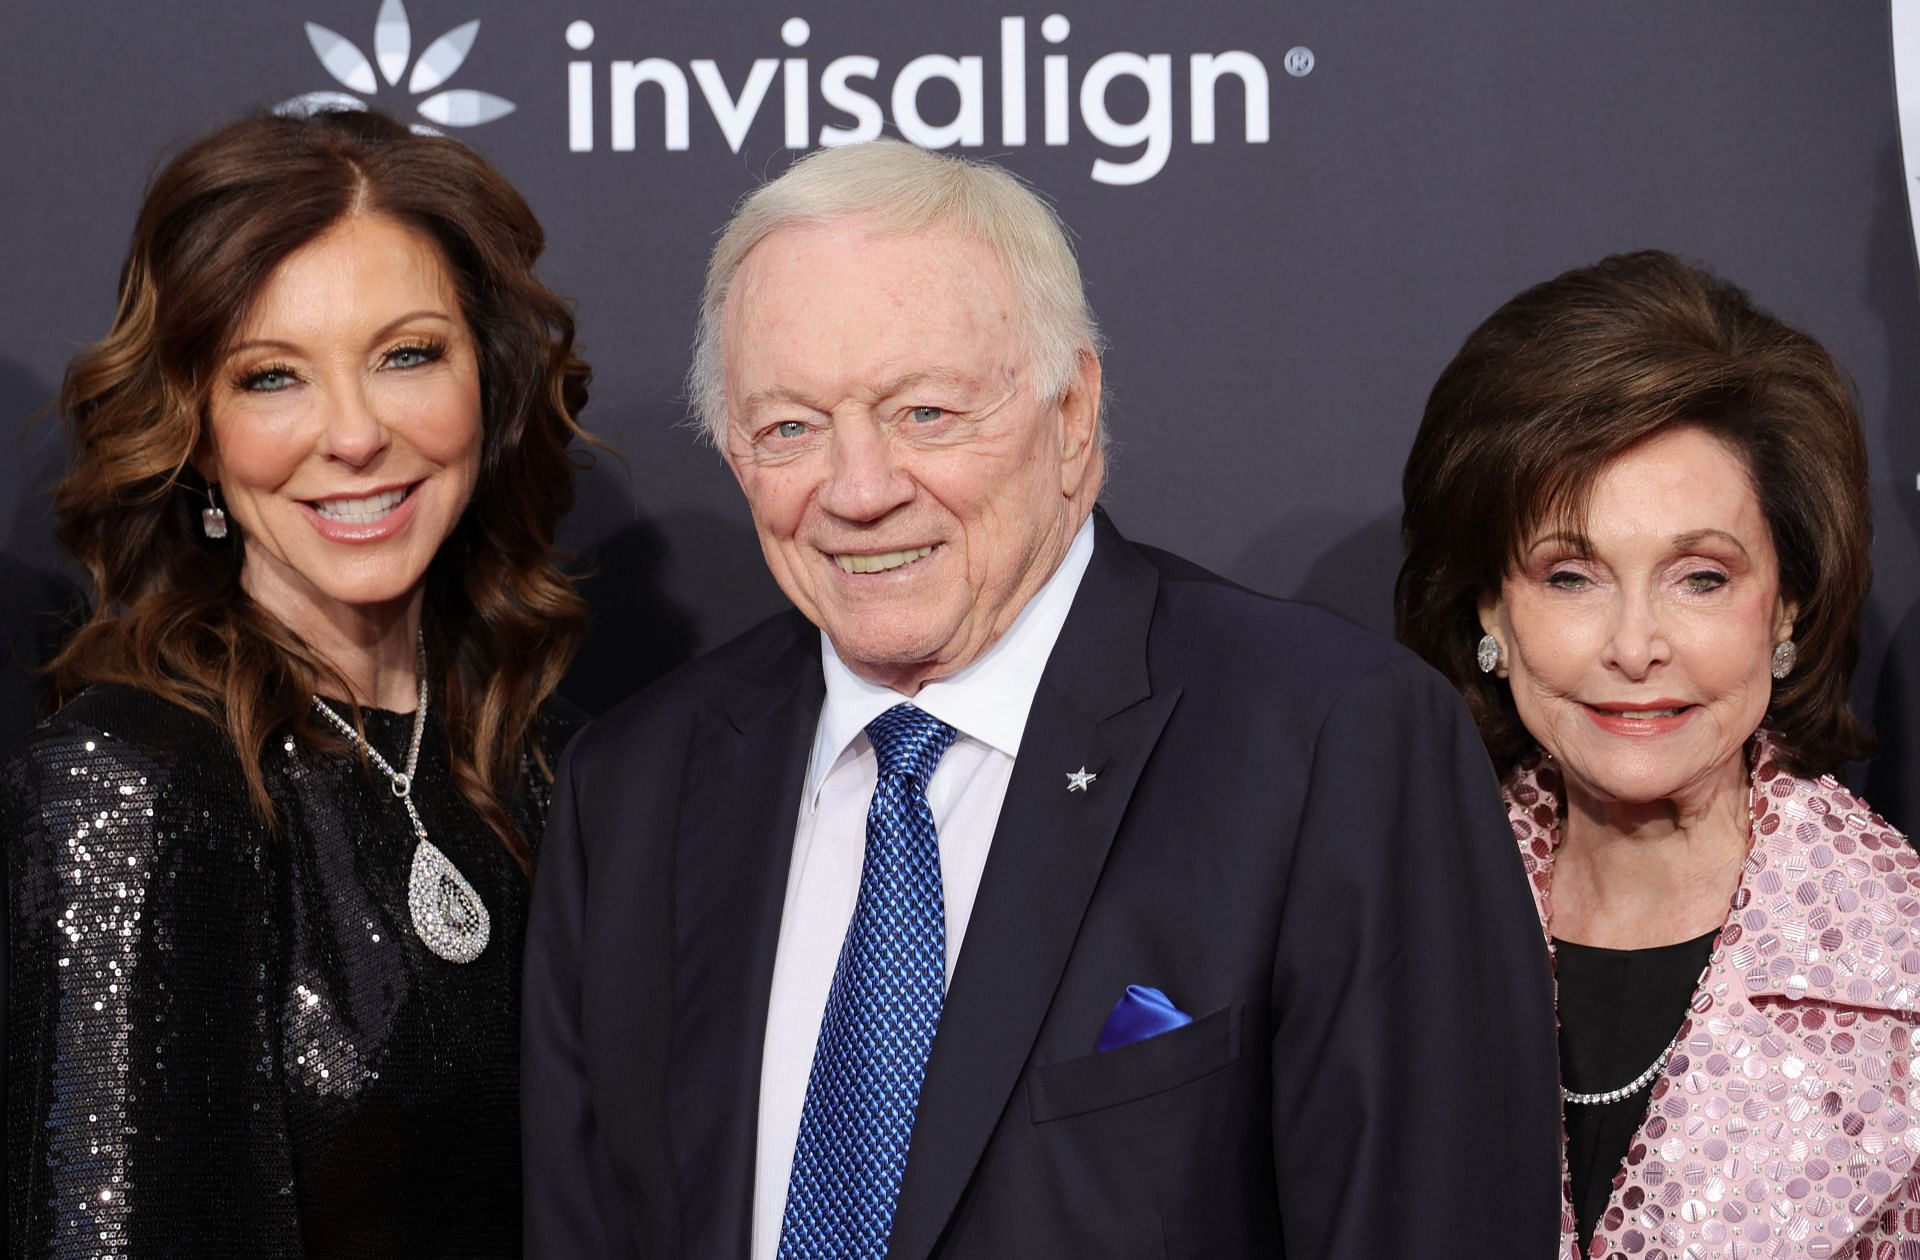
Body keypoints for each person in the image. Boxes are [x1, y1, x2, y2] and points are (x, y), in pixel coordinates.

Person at [523, 138, 1561, 1258]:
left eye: (925, 412)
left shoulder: (1330, 743)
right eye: (790, 428)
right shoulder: (633, 788)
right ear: (733, 452)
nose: (860, 490)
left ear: (1072, 417)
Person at [4, 109, 590, 1257]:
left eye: (407, 354)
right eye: (272, 378)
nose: (355, 434)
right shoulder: (133, 787)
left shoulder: (552, 769)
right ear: (199, 433)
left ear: (493, 380)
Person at [1397, 249, 1914, 1256]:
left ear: (1790, 607)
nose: (1636, 647)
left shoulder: (1899, 964)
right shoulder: (1386, 921)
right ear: (1490, 607)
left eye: (1701, 578)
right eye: (1572, 575)